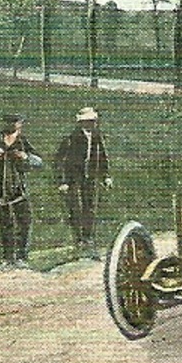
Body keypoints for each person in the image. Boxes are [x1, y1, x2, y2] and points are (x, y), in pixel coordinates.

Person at [0, 112, 42, 270]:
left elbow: (39, 161)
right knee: (5, 223)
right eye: (8, 122)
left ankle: (22, 256)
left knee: (24, 222)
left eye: (15, 122)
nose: (12, 125)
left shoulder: (22, 142)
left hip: (19, 189)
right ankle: (8, 258)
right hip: (0, 188)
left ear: (20, 124)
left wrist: (25, 157)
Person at [55, 107, 112, 258]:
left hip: (91, 177)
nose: (92, 124)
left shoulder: (97, 137)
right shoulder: (71, 138)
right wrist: (63, 181)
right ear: (81, 123)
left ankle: (88, 239)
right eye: (88, 122)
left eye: (93, 121)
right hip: (74, 178)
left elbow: (103, 157)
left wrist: (105, 176)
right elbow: (60, 161)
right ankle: (78, 239)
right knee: (75, 208)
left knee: (90, 208)